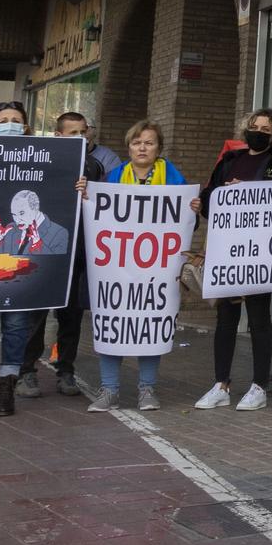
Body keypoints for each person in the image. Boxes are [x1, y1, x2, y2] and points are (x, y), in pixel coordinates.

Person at [0, 102, 89, 418]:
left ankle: (6, 393)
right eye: (3, 120)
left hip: (26, 277)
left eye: (16, 120)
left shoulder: (47, 161)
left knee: (16, 330)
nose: (10, 124)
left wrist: (79, 188)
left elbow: (62, 201)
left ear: (26, 127)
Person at [89, 119, 202, 412]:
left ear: (159, 148)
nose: (142, 147)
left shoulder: (173, 177)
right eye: (137, 142)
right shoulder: (114, 177)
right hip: (116, 269)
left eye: (149, 142)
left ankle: (147, 390)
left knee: (151, 325)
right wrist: (87, 195)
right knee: (112, 323)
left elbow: (184, 220)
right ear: (128, 147)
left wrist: (193, 210)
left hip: (157, 271)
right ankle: (109, 390)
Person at [195, 109, 272, 412]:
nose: (259, 131)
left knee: (258, 316)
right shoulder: (229, 160)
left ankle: (258, 386)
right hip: (226, 250)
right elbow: (208, 199)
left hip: (260, 250)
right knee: (225, 317)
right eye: (254, 126)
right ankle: (221, 384)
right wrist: (208, 200)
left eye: (266, 128)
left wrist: (248, 193)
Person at [19, 110, 110, 399]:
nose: (80, 137)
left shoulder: (94, 166)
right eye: (73, 133)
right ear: (59, 136)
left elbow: (104, 207)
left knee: (71, 317)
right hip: (43, 253)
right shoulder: (40, 161)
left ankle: (66, 371)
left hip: (79, 253)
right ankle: (27, 372)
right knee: (35, 316)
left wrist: (91, 193)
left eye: (84, 132)